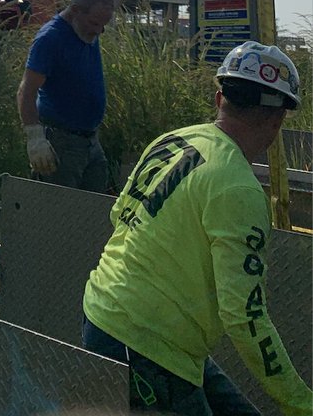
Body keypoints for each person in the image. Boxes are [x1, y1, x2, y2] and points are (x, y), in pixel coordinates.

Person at [82, 41, 311, 416]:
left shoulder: (172, 139)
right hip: (147, 346)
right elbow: (245, 316)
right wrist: (300, 403)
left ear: (220, 98)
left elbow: (120, 216)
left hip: (108, 314)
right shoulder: (238, 187)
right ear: (277, 120)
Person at [17, 0, 143, 190]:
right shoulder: (51, 39)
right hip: (60, 142)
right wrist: (35, 138)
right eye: (94, 24)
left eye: (103, 26)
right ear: (75, 11)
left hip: (90, 141)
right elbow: (26, 92)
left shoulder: (89, 21)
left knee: (94, 213)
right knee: (62, 217)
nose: (98, 31)